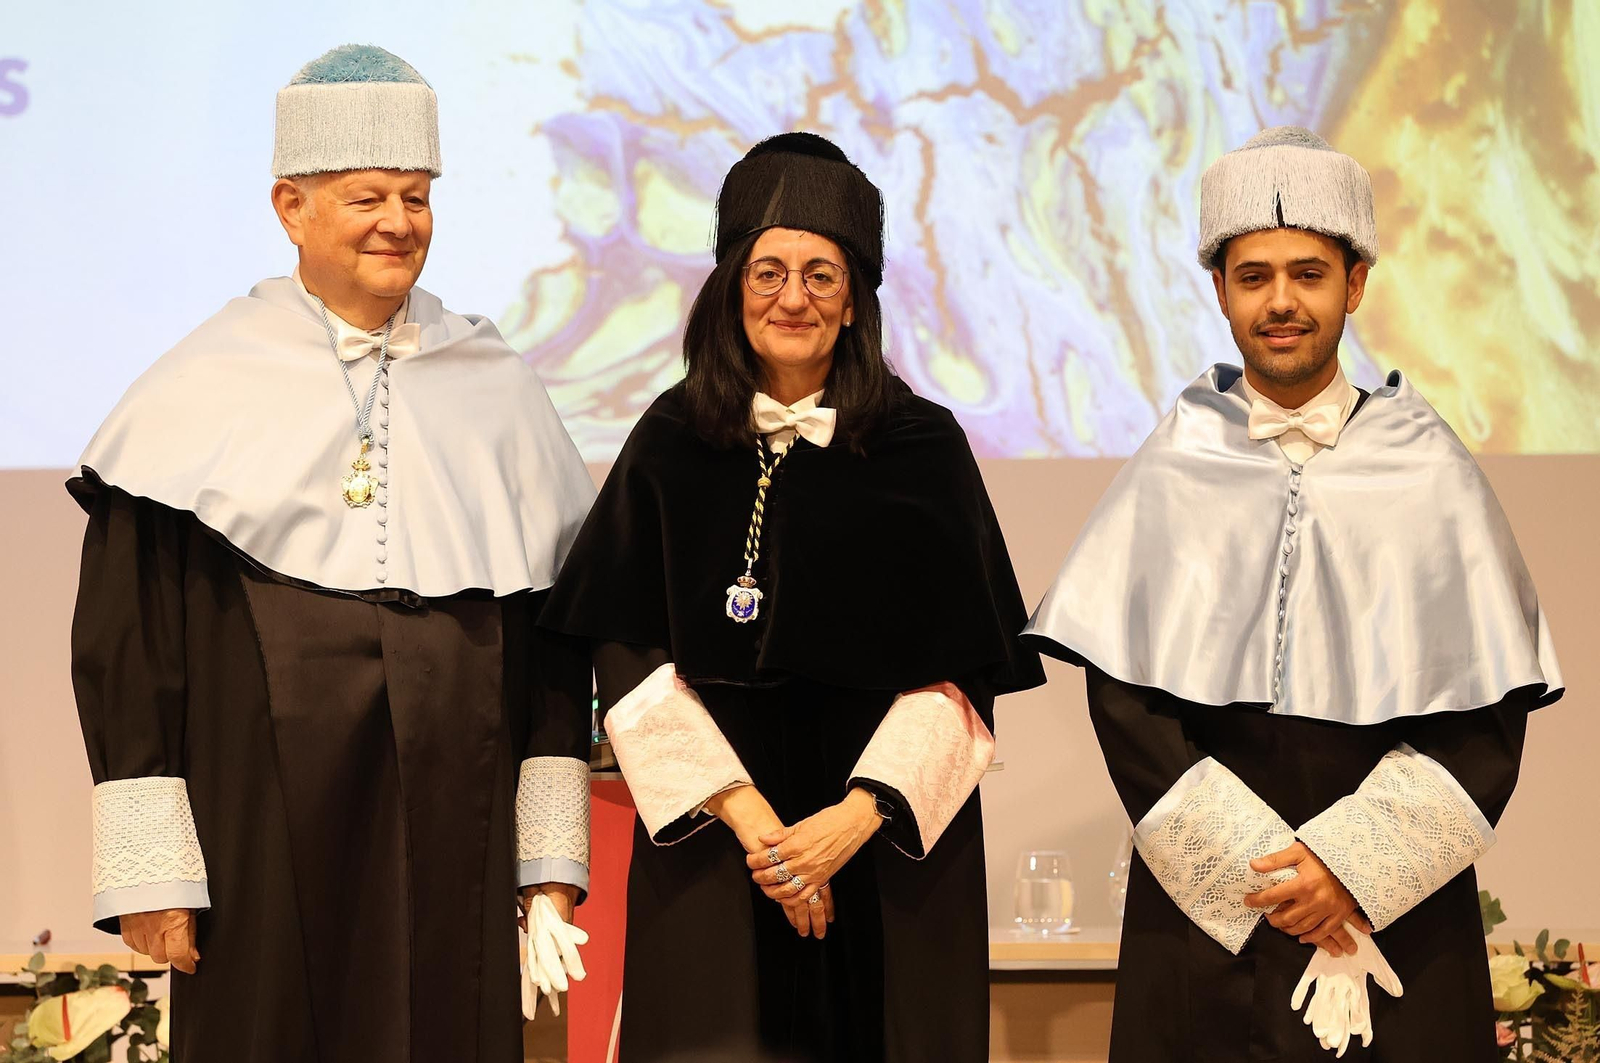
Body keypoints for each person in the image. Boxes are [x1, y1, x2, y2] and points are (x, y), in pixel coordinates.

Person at [68, 45, 596, 1062]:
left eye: (416, 196)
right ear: (289, 207)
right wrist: (151, 876)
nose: (398, 223)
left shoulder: (495, 381)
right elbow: (129, 648)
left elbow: (551, 646)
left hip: (461, 807)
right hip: (256, 815)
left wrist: (548, 862)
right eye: (366, 197)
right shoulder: (201, 383)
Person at [1025, 126, 1564, 1061]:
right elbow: (1128, 703)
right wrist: (1273, 879)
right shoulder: (1172, 465)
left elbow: (1485, 718)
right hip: (1206, 931)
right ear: (1221, 291)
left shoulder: (1431, 468)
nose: (1281, 302)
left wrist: (1347, 871)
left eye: (1308, 273)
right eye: (1253, 275)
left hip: (1397, 924)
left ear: (1355, 284)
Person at [539, 132, 1044, 1063]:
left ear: (855, 301)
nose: (793, 297)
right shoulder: (669, 439)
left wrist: (850, 822)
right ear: (732, 289)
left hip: (889, 853)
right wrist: (759, 827)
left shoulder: (923, 448)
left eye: (821, 273)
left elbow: (968, 670)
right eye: (768, 271)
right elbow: (625, 652)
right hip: (712, 840)